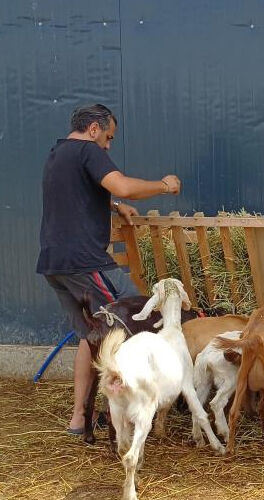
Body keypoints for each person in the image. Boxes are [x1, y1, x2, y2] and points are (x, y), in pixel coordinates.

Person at [36, 103, 182, 435]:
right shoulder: (89, 151)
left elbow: (77, 195)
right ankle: (124, 411)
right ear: (94, 129)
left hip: (55, 264)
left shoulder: (57, 153)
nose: (108, 145)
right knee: (137, 315)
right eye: (109, 137)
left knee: (91, 337)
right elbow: (123, 185)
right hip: (86, 263)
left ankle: (79, 418)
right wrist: (164, 184)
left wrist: (114, 206)